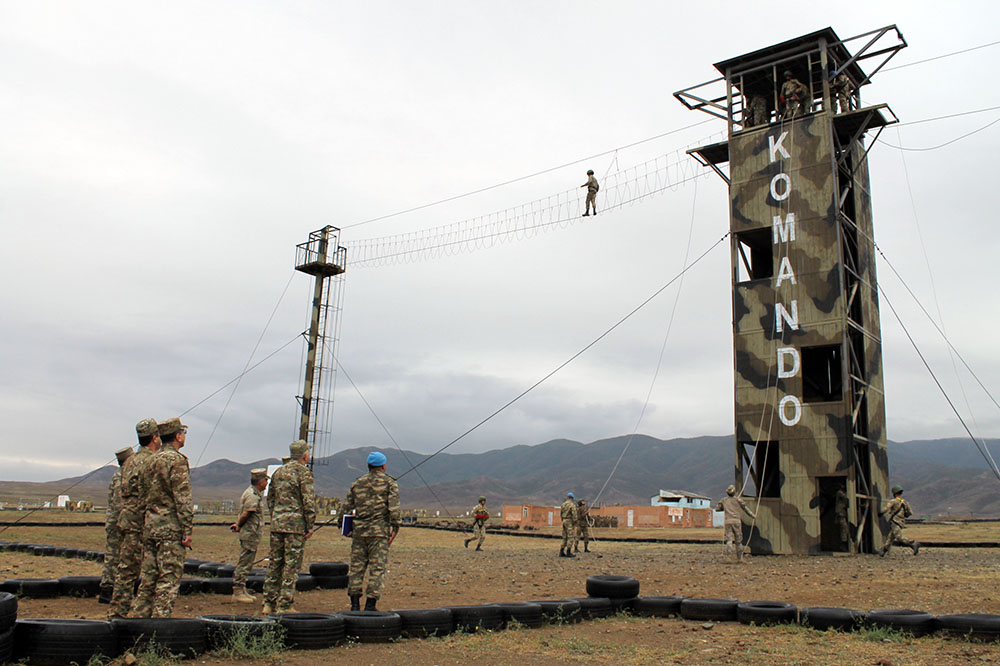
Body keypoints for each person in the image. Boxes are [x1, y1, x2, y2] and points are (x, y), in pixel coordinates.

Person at [132, 417, 193, 618]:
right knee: (168, 579)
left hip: (151, 526)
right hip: (170, 529)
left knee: (148, 579)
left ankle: (139, 622)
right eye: (183, 432)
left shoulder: (150, 460)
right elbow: (182, 498)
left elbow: (141, 496)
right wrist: (187, 531)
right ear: (178, 436)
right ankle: (159, 626)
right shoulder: (177, 461)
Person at [108, 418, 160, 619]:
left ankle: (117, 612)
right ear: (155, 438)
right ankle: (141, 614)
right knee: (148, 570)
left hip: (126, 519)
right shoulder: (151, 462)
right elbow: (152, 494)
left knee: (126, 570)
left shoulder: (129, 462)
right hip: (141, 522)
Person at [262, 440, 316, 614]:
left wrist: (276, 515)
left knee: (275, 563)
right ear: (304, 455)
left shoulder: (278, 473)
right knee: (291, 565)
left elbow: (270, 498)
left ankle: (268, 602)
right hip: (295, 526)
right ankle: (284, 604)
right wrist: (309, 524)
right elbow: (308, 500)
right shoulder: (304, 473)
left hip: (277, 523)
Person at [342, 451, 400, 611]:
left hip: (359, 532)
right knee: (377, 568)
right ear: (383, 466)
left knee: (356, 568)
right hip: (379, 533)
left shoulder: (357, 483)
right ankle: (370, 605)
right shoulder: (390, 483)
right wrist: (395, 528)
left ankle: (354, 604)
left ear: (369, 466)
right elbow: (393, 508)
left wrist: (345, 528)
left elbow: (346, 507)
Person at [99, 446, 134, 603]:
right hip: (120, 522)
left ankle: (108, 589)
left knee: (112, 556)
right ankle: (111, 590)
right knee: (118, 557)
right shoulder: (125, 476)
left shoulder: (117, 475)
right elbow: (121, 504)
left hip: (113, 521)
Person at [231, 468, 269, 603]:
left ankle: (242, 589)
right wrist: (239, 525)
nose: (266, 483)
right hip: (249, 533)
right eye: (265, 480)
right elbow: (247, 513)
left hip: (251, 533)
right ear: (260, 481)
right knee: (245, 562)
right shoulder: (252, 495)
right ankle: (238, 590)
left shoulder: (254, 493)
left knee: (247, 561)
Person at [717, 485, 756, 562]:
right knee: (738, 540)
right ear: (734, 492)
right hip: (737, 522)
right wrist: (753, 516)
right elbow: (746, 509)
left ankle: (728, 558)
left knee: (729, 540)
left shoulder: (724, 500)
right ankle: (740, 558)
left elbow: (717, 509)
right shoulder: (738, 500)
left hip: (728, 521)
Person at [879, 485, 919, 557]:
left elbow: (886, 508)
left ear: (894, 493)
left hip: (895, 521)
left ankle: (912, 543)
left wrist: (880, 513)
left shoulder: (893, 501)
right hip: (901, 521)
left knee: (898, 537)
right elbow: (910, 512)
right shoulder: (904, 502)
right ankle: (884, 550)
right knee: (891, 537)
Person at [559, 492, 578, 558]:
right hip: (569, 521)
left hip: (564, 520)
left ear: (567, 497)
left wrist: (562, 520)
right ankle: (568, 552)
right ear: (572, 498)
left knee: (564, 537)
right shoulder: (572, 505)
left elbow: (561, 513)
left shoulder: (563, 504)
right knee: (571, 537)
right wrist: (574, 523)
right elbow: (574, 515)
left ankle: (561, 551)